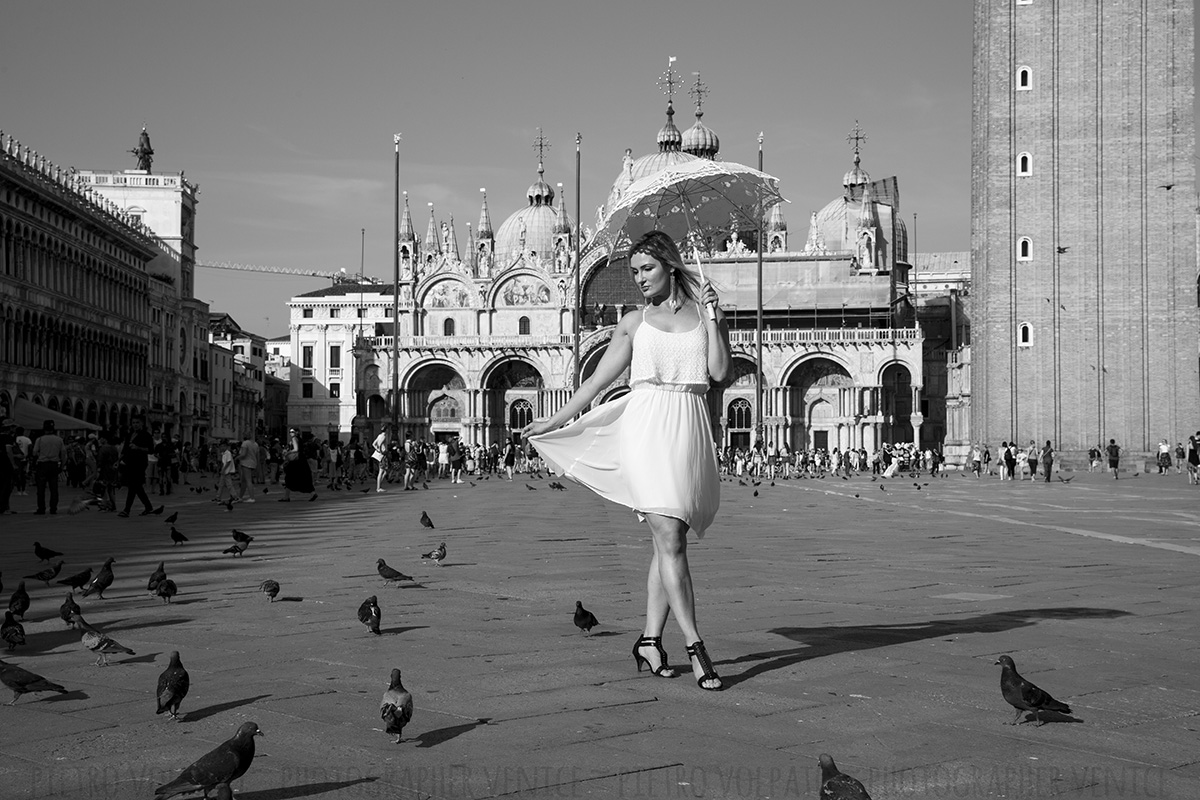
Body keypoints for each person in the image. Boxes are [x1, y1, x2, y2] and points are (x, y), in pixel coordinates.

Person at [524, 230, 731, 692]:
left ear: (671, 266)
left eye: (647, 269)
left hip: (689, 425)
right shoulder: (634, 323)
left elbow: (718, 373)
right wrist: (554, 420)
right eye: (634, 271)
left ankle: (650, 641)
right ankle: (697, 646)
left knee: (669, 539)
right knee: (670, 535)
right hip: (646, 426)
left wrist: (715, 315)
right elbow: (596, 381)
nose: (639, 279)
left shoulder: (705, 315)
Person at [118, 416, 160, 517]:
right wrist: (119, 460)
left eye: (137, 422)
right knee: (136, 486)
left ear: (141, 424)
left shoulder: (146, 435)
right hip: (129, 463)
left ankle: (127, 510)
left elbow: (151, 450)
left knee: (133, 486)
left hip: (140, 463)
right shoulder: (129, 435)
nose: (135, 425)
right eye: (133, 423)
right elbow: (125, 449)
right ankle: (148, 507)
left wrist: (138, 448)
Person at [31, 419, 66, 515]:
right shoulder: (59, 440)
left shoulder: (40, 439)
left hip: (42, 465)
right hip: (54, 465)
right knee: (54, 488)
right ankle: (53, 508)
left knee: (41, 489)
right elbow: (63, 454)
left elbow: (34, 452)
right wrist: (62, 466)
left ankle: (41, 508)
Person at [0, 418, 16, 514]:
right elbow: (9, 451)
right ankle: (4, 508)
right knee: (6, 486)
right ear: (9, 428)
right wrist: (13, 464)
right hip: (5, 464)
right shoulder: (8, 438)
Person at [237, 432, 260, 502]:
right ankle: (240, 497)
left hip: (246, 463)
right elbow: (257, 456)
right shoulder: (255, 444)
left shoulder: (245, 443)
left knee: (248, 480)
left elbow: (243, 454)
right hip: (253, 463)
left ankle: (252, 497)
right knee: (244, 481)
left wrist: (236, 458)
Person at [372, 426, 390, 493]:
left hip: (379, 455)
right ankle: (378, 487)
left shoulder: (379, 435)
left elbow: (373, 444)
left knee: (384, 471)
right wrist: (381, 451)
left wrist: (377, 449)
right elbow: (380, 444)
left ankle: (379, 485)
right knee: (382, 471)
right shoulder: (384, 436)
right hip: (382, 455)